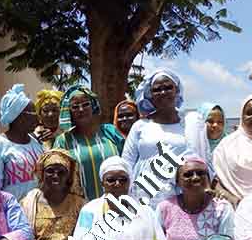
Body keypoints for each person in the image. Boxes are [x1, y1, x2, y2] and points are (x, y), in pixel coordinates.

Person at [123, 69, 197, 207]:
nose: (163, 92)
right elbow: (127, 163)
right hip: (144, 194)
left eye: (168, 87)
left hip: (181, 195)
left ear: (177, 90)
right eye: (157, 89)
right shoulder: (140, 126)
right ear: (150, 95)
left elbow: (200, 159)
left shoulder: (190, 124)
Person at [53, 86, 124, 200]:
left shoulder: (110, 132)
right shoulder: (63, 141)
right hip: (82, 209)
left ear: (93, 106)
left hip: (117, 203)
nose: (81, 109)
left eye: (86, 104)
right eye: (75, 107)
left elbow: (128, 162)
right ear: (69, 112)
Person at [0, 84, 44, 202]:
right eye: (33, 114)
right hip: (10, 213)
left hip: (36, 212)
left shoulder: (36, 144)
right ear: (19, 117)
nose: (38, 119)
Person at [183, 102, 227, 171]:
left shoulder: (230, 145)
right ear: (200, 123)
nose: (215, 125)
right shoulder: (190, 148)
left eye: (220, 122)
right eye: (210, 121)